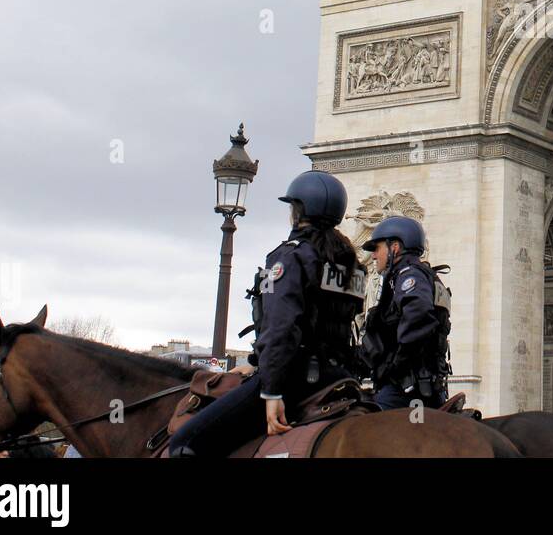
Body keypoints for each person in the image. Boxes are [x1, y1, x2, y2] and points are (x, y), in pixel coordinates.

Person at [167, 171, 365, 457]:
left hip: (294, 378)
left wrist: (272, 391)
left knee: (186, 442)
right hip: (338, 376)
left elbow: (281, 327)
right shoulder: (351, 266)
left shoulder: (292, 256)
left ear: (299, 211)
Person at [357, 215, 452, 410]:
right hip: (425, 383)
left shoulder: (409, 274)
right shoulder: (422, 275)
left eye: (377, 248)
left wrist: (394, 365)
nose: (374, 256)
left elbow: (419, 315)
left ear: (395, 247)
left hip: (405, 389)